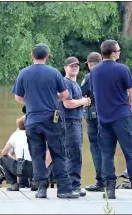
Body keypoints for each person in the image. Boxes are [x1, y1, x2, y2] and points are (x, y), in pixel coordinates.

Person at [12, 43, 79, 199]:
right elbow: (65, 95)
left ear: (32, 55)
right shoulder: (54, 73)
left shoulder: (23, 73)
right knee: (59, 153)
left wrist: (30, 102)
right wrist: (53, 98)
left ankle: (41, 189)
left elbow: (17, 97)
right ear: (47, 56)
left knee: (37, 155)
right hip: (52, 119)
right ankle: (64, 190)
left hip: (32, 120)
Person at [90, 39, 132, 200]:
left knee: (107, 154)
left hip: (103, 118)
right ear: (113, 53)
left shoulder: (94, 71)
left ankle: (110, 190)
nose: (119, 53)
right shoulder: (123, 69)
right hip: (122, 116)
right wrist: (130, 106)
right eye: (119, 50)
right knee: (131, 152)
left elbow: (94, 93)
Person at [61, 57, 90, 197]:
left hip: (75, 121)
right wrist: (84, 101)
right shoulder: (66, 83)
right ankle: (73, 185)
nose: (74, 68)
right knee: (73, 154)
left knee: (74, 153)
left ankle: (74, 184)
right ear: (65, 68)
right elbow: (68, 103)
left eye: (76, 66)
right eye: (71, 66)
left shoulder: (75, 83)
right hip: (69, 122)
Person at [0, 115, 53, 191]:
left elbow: (4, 153)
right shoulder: (41, 134)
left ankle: (14, 184)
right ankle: (37, 181)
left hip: (20, 169)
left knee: (3, 158)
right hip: (37, 169)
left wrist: (15, 159)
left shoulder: (15, 134)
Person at [81, 52, 104, 192]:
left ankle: (101, 181)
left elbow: (81, 92)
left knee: (96, 148)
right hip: (111, 117)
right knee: (108, 148)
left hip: (94, 118)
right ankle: (109, 180)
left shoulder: (89, 76)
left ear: (89, 64)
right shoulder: (113, 73)